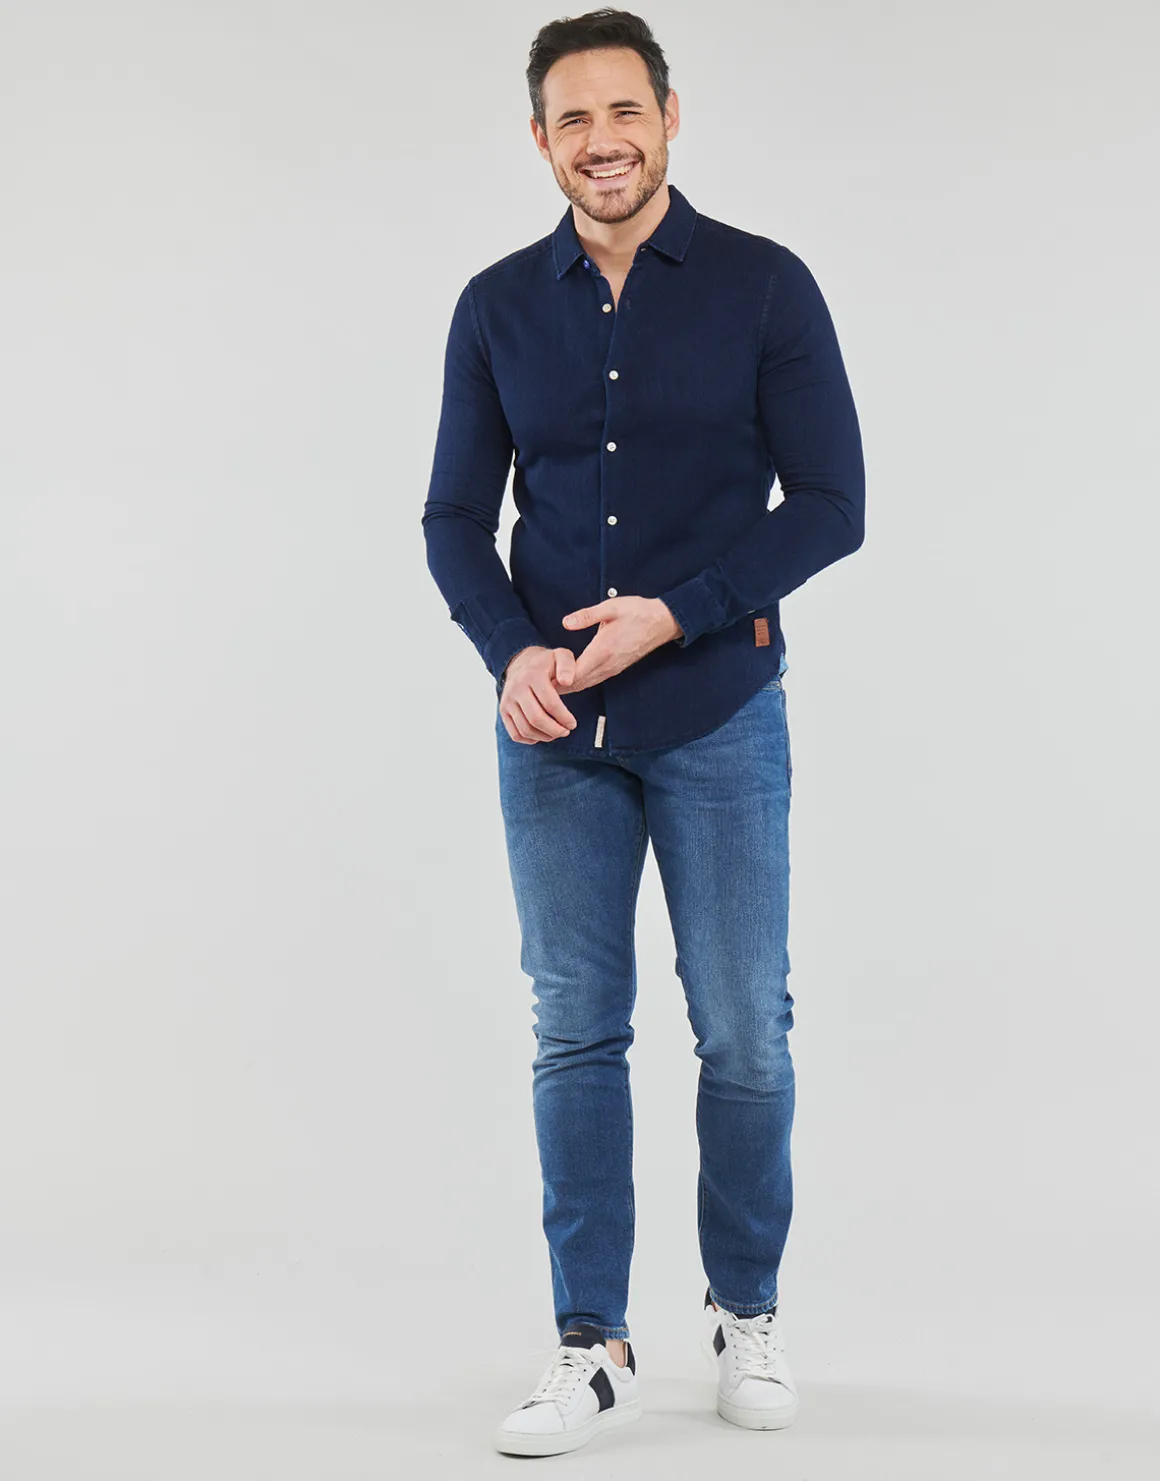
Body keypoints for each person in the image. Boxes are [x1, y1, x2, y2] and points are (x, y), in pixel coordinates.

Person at [422, 7, 865, 1458]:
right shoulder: (496, 306)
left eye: (626, 110)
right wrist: (510, 654)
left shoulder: (764, 285)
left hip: (718, 712)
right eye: (573, 118)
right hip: (554, 731)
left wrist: (676, 616)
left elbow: (834, 505)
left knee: (744, 1028)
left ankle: (747, 1312)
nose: (602, 141)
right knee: (575, 1031)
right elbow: (453, 517)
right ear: (539, 140)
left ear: (671, 117)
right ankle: (591, 1341)